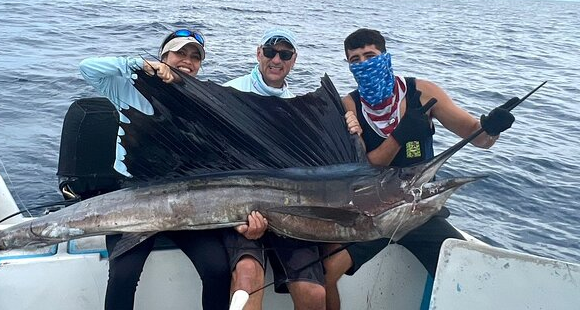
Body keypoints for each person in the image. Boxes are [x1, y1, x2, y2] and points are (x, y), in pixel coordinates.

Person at [323, 28, 516, 310]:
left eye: (370, 56)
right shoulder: (349, 105)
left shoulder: (423, 93)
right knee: (325, 272)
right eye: (355, 60)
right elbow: (365, 166)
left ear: (385, 56)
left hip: (419, 212)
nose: (363, 64)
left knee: (466, 273)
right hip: (371, 215)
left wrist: (493, 129)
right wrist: (401, 135)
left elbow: (477, 137)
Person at [79, 28, 231, 310]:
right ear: (164, 56)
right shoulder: (129, 89)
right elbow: (87, 68)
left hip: (186, 200)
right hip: (133, 197)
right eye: (180, 53)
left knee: (218, 269)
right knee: (124, 274)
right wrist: (137, 64)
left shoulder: (203, 103)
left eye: (195, 57)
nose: (187, 61)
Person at [223, 28, 327, 310]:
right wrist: (233, 214)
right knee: (247, 277)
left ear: (294, 60)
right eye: (270, 52)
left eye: (285, 54)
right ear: (259, 53)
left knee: (315, 294)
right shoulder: (230, 93)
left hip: (288, 213)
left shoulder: (299, 110)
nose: (276, 59)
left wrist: (350, 122)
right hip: (240, 211)